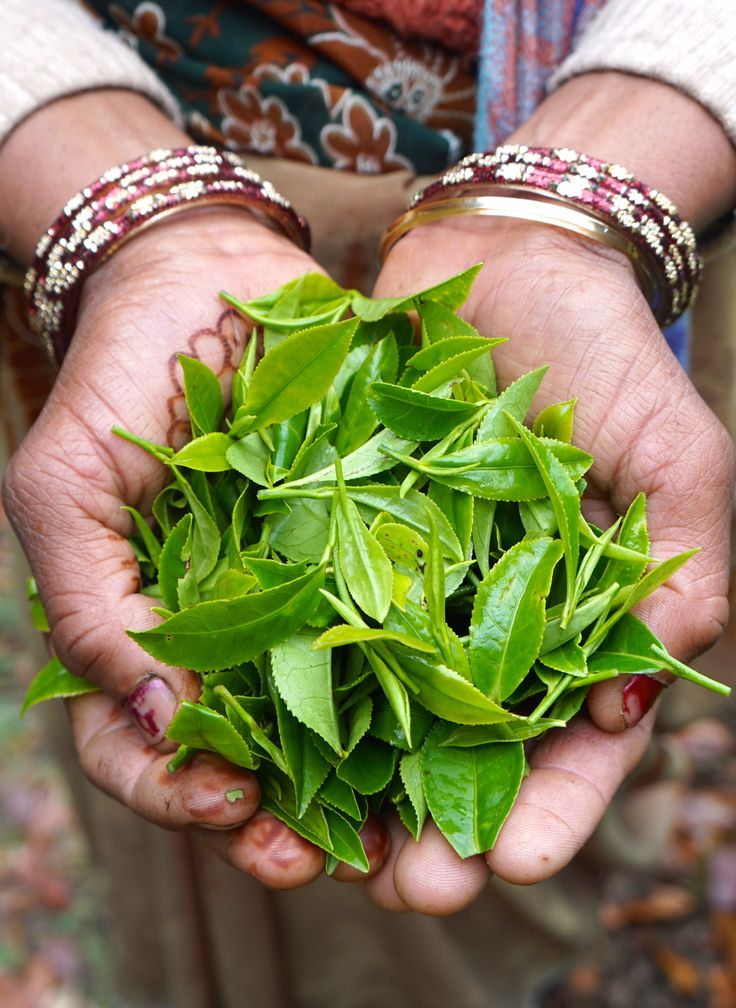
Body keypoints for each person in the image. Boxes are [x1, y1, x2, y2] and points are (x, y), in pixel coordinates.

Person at [1, 0, 735, 1003]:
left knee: (605, 615)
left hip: (646, 212)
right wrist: (83, 158)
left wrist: (644, 128)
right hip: (126, 249)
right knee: (207, 741)